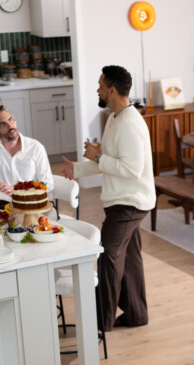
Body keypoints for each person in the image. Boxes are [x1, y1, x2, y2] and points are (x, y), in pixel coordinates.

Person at [61, 65, 155, 331]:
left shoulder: (129, 123)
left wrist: (98, 156)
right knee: (129, 258)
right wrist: (77, 169)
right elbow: (109, 163)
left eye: (101, 85)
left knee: (108, 256)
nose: (97, 90)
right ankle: (136, 314)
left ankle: (100, 323)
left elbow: (131, 170)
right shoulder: (115, 118)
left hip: (130, 203)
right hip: (122, 200)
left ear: (112, 90)